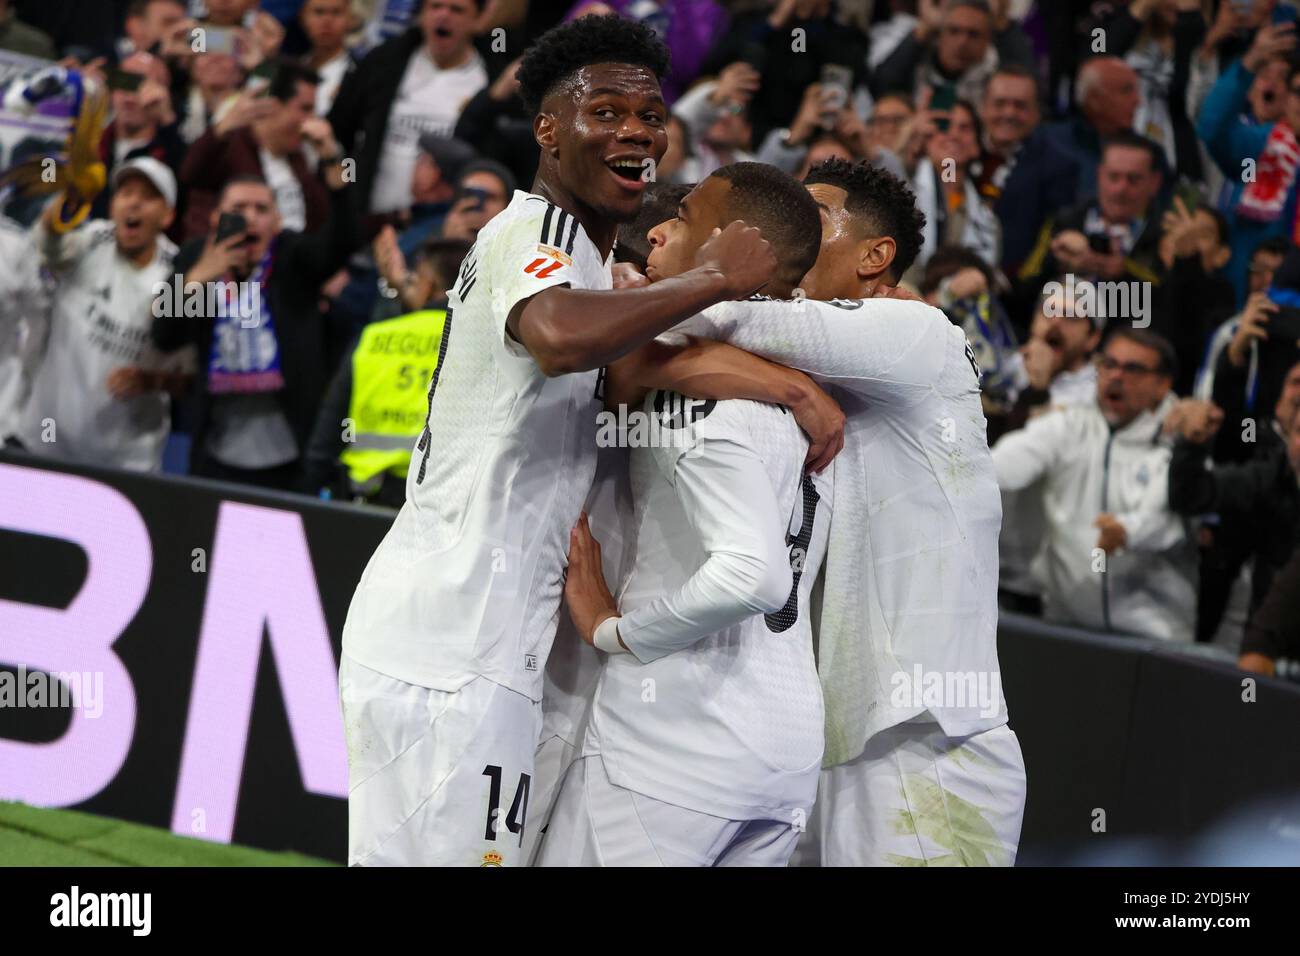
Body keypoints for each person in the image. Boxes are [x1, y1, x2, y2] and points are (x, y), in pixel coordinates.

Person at [337, 15, 815, 869]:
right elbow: (559, 335)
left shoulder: (595, 266)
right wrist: (716, 276)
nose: (636, 131)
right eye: (606, 112)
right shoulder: (537, 231)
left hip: (483, 640)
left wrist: (790, 385)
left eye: (651, 115)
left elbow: (631, 370)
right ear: (548, 130)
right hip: (455, 639)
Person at [646, 157, 1024, 866]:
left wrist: (649, 283)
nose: (778, 233)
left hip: (929, 742)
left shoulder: (917, 332)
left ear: (876, 256)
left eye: (812, 220)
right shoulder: (809, 371)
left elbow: (707, 315)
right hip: (835, 739)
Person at [538, 163, 830, 867]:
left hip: (675, 740)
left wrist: (615, 633)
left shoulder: (703, 394)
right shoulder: (814, 375)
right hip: (782, 752)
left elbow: (752, 577)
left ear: (744, 248)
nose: (659, 227)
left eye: (688, 214)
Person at [151, 158, 361, 488]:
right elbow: (164, 336)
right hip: (214, 445)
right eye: (238, 208)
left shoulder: (292, 257)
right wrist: (196, 280)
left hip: (291, 449)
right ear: (216, 218)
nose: (250, 217)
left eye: (261, 209)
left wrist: (336, 171)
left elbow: (342, 242)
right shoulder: (196, 257)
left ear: (277, 221)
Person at [992, 328, 1196, 643]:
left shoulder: (1181, 440)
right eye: (1109, 364)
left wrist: (1126, 530)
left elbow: (1163, 520)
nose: (1116, 376)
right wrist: (963, 475)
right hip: (1064, 628)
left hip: (1154, 638)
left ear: (1162, 384)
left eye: (1133, 369)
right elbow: (1002, 465)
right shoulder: (1070, 424)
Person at [13, 158, 180, 472]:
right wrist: (68, 200)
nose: (133, 203)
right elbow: (49, 247)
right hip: (48, 437)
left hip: (126, 458)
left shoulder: (178, 273)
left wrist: (150, 379)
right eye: (125, 193)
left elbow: (187, 370)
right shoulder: (92, 240)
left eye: (147, 197)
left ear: (167, 215)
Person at [303, 237, 470, 508]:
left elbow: (327, 432)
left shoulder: (374, 336)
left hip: (361, 499)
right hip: (437, 506)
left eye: (413, 280)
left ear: (428, 284)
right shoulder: (475, 343)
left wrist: (311, 492)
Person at [329, 0, 489, 214]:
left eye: (456, 10)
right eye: (435, 6)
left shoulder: (489, 78)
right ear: (421, 15)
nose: (443, 16)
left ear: (477, 20)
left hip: (442, 222)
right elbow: (342, 125)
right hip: (372, 216)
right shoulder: (385, 62)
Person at [179, 58, 329, 238]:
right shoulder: (229, 146)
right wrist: (222, 127)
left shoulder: (298, 157)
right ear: (272, 105)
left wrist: (334, 158)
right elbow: (188, 173)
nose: (312, 120)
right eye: (305, 109)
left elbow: (325, 223)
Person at [976, 64, 1081, 276]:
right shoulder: (960, 151)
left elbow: (1052, 242)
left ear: (1036, 113)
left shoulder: (1059, 166)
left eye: (1020, 106)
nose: (1009, 113)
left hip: (1018, 291)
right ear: (982, 107)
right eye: (1000, 103)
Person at [1044, 56, 1142, 199]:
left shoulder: (1148, 153)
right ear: (1094, 99)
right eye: (1126, 91)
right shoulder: (1048, 144)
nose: (1138, 101)